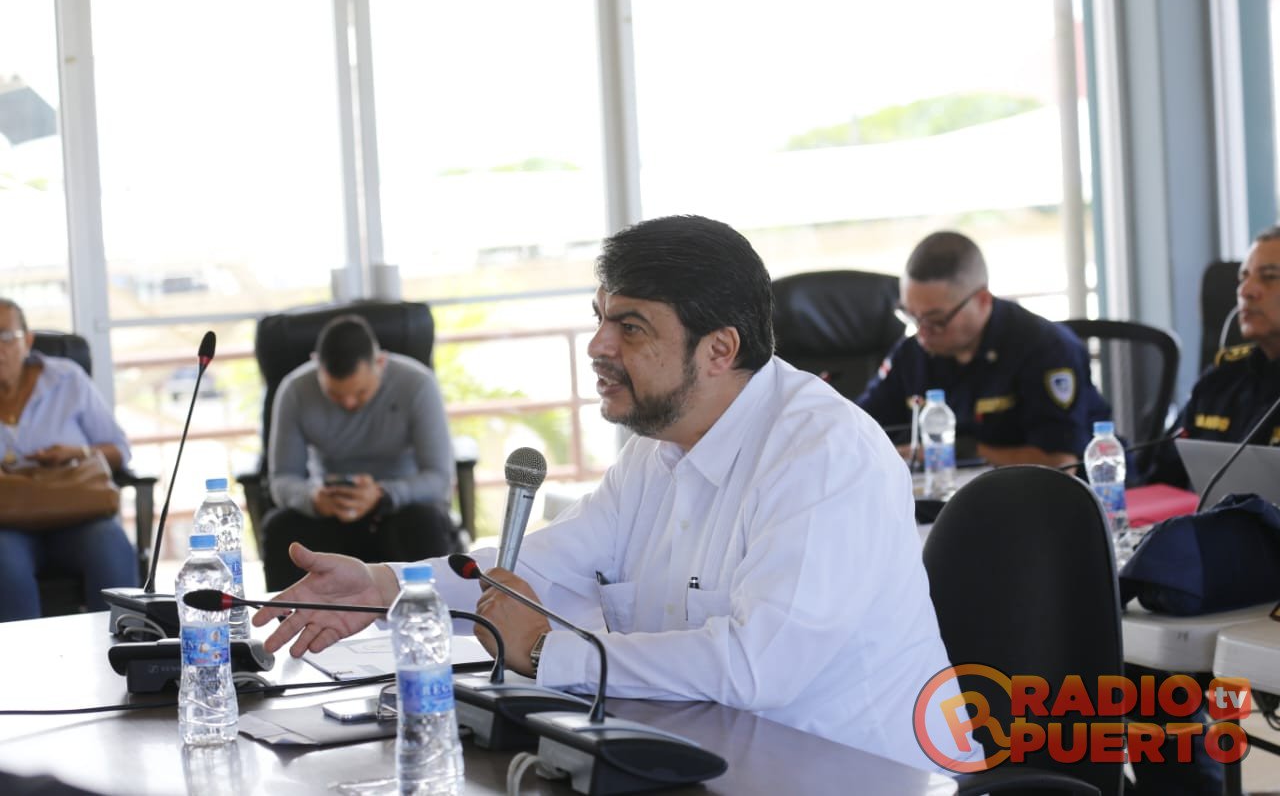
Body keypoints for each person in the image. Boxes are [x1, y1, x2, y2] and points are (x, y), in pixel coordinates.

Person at [254, 216, 977, 774]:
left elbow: (757, 666)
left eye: (629, 326)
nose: (597, 345)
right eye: (599, 316)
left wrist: (549, 652)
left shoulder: (822, 453)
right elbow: (538, 568)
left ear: (719, 349)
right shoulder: (656, 450)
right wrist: (383, 585)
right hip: (714, 759)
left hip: (865, 772)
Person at [856, 231, 1112, 467]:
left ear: (981, 300)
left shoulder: (1045, 349)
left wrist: (960, 451)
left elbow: (1061, 463)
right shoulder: (911, 354)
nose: (922, 332)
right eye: (911, 316)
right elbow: (857, 430)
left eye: (937, 320)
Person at [260, 314, 459, 590]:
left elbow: (439, 479)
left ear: (380, 363)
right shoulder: (295, 390)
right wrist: (314, 499)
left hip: (399, 507)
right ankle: (289, 613)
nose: (349, 403)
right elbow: (282, 479)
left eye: (361, 392)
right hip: (331, 511)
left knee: (422, 524)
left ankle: (428, 608)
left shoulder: (418, 384)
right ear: (316, 365)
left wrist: (381, 495)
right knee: (280, 527)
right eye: (335, 395)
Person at [0, 298, 137, 621]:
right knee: (4, 561)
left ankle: (123, 645)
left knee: (110, 544)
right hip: (6, 525)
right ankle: (18, 653)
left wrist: (79, 453)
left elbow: (120, 449)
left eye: (5, 337)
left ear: (27, 340)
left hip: (77, 516)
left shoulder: (67, 378)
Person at [1146, 226, 1280, 487]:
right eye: (1243, 277)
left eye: (1269, 277)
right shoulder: (1218, 382)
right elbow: (1162, 479)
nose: (1246, 290)